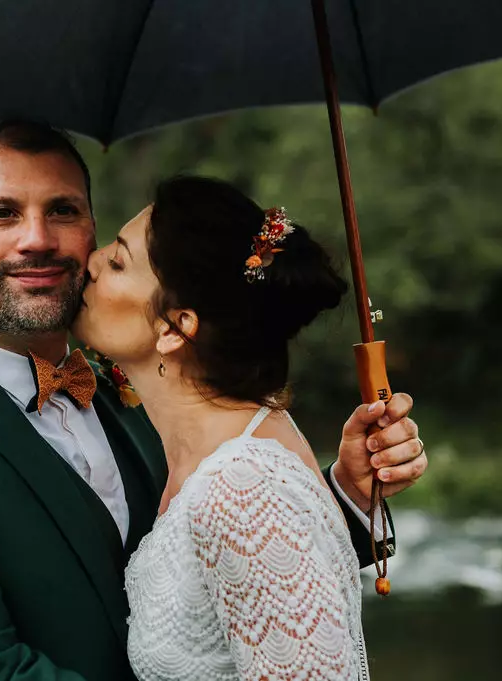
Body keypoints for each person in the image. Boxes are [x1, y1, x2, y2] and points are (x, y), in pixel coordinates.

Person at [0, 121, 426, 681]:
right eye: (2, 213)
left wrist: (341, 493)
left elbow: (233, 573)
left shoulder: (142, 390)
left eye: (63, 211)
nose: (37, 239)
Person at [73, 175, 383, 680]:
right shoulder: (214, 452)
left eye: (117, 262)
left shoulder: (243, 489)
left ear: (177, 327)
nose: (90, 260)